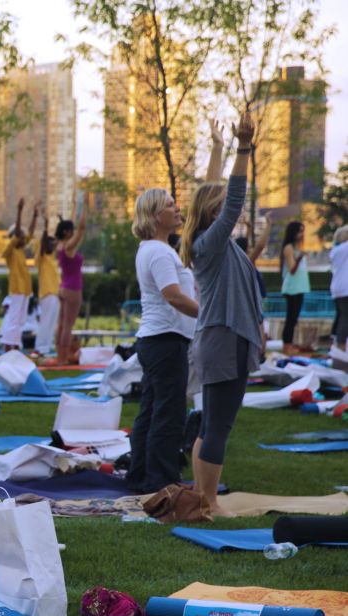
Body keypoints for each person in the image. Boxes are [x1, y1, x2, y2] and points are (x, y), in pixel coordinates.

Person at [179, 111, 258, 519]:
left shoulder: (213, 244)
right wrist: (243, 147)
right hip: (223, 340)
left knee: (210, 423)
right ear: (214, 214)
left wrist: (216, 148)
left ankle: (200, 495)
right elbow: (231, 199)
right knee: (218, 427)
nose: (233, 213)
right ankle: (208, 502)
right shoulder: (210, 243)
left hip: (223, 340)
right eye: (223, 209)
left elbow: (212, 194)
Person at [126, 189, 199, 496]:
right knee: (168, 413)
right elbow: (173, 295)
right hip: (165, 340)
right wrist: (210, 315)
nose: (178, 209)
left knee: (153, 410)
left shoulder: (154, 249)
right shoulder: (159, 252)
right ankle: (162, 481)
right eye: (171, 205)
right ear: (157, 215)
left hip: (158, 340)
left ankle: (141, 474)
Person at [0, 199, 38, 351]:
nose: (23, 238)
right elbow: (18, 233)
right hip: (16, 289)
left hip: (25, 290)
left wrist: (35, 216)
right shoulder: (10, 250)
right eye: (20, 236)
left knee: (20, 321)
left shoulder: (21, 251)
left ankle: (15, 345)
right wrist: (19, 211)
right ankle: (8, 346)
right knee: (14, 319)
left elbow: (30, 233)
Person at [54, 206, 85, 364]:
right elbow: (80, 230)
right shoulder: (68, 247)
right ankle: (63, 359)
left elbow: (72, 230)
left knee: (61, 324)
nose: (73, 231)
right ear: (66, 232)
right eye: (70, 230)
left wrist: (62, 219)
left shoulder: (60, 245)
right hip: (73, 289)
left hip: (63, 288)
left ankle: (60, 357)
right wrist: (84, 206)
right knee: (67, 325)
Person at [279, 221, 310, 353]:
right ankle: (287, 345)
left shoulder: (297, 247)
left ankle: (290, 344)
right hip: (292, 288)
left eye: (302, 231)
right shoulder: (289, 248)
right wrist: (299, 258)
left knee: (294, 318)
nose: (301, 234)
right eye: (299, 231)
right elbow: (292, 269)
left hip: (300, 287)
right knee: (290, 318)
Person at [34, 208, 59, 356]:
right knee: (45, 321)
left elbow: (57, 240)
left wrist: (59, 224)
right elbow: (44, 242)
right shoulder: (41, 257)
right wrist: (46, 224)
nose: (53, 245)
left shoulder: (52, 258)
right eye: (51, 244)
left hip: (55, 293)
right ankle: (40, 347)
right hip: (47, 294)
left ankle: (47, 348)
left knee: (52, 322)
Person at [331, 224, 348, 347]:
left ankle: (338, 343)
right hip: (345, 288)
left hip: (337, 288)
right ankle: (341, 346)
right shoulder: (345, 248)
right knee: (345, 318)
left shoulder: (336, 250)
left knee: (341, 316)